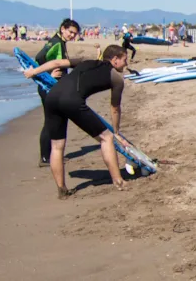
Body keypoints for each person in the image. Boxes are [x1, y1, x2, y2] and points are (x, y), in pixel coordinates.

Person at [22, 45, 132, 199]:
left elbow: (56, 63)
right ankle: (118, 181)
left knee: (57, 146)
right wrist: (116, 131)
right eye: (124, 60)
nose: (126, 64)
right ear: (115, 60)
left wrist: (33, 71)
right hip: (72, 101)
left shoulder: (85, 61)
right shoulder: (116, 78)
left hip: (52, 97)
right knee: (106, 138)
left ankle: (62, 190)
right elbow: (115, 108)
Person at [34, 18, 81, 167]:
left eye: (74, 34)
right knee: (51, 121)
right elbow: (39, 58)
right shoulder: (55, 42)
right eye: (70, 32)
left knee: (55, 121)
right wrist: (48, 74)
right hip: (48, 87)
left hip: (54, 86)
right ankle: (45, 158)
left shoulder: (60, 42)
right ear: (62, 29)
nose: (72, 35)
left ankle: (52, 155)